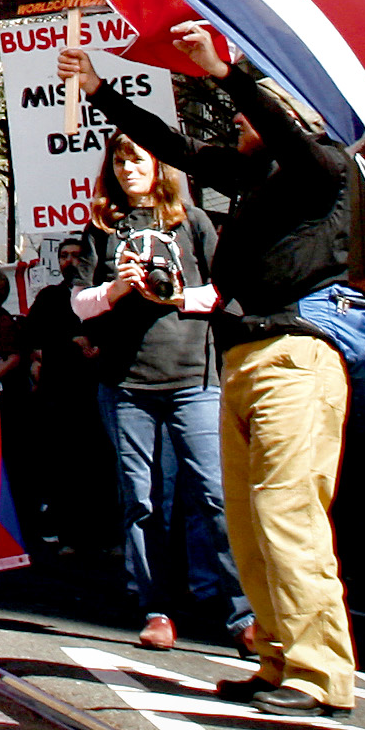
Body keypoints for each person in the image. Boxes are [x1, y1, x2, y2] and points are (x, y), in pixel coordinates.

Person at [63, 23, 360, 716]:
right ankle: (276, 658)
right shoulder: (255, 178)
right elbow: (174, 148)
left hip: (294, 356)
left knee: (288, 515)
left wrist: (229, 76)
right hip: (243, 359)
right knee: (249, 523)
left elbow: (281, 134)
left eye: (253, 114)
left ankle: (320, 674)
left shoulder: (322, 170)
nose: (237, 123)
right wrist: (99, 91)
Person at [71, 127, 240, 654]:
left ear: (160, 165)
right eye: (120, 162)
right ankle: (157, 608)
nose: (128, 170)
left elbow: (229, 291)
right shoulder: (102, 227)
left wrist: (177, 295)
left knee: (213, 495)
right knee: (141, 500)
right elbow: (78, 303)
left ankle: (243, 613)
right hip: (128, 384)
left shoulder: (192, 221)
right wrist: (118, 288)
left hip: (194, 379)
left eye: (138, 159)